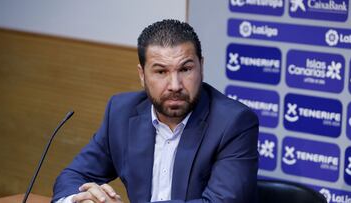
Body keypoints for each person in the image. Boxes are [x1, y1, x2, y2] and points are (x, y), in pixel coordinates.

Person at [53, 19, 259, 203]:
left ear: (201, 66)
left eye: (185, 69)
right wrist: (81, 200)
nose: (175, 85)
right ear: (142, 75)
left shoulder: (234, 122)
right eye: (161, 72)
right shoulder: (121, 112)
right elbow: (73, 176)